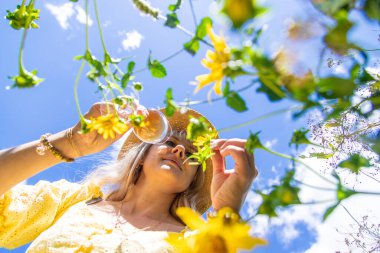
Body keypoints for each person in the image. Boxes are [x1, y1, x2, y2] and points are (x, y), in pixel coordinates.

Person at [0, 102, 258, 252]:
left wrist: (226, 213)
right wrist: (70, 143)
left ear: (194, 179)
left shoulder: (191, 241)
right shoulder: (75, 200)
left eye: (192, 154)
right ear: (142, 154)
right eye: (170, 141)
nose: (180, 150)